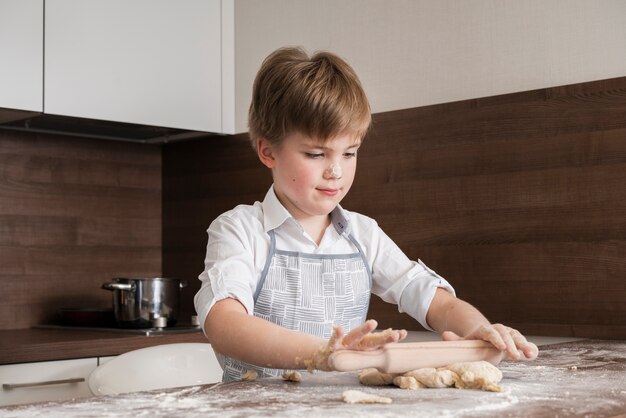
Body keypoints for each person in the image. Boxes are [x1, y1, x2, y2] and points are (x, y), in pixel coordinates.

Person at [194, 46, 538, 382]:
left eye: (350, 153)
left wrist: (477, 328)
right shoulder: (239, 230)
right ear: (268, 152)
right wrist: (323, 354)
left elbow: (433, 299)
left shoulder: (362, 234)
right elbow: (225, 324)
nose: (336, 172)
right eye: (316, 154)